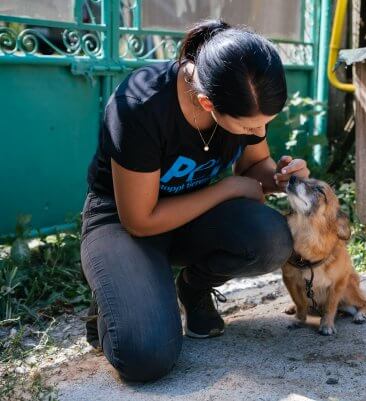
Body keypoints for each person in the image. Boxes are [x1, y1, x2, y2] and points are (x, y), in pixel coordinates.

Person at [80, 19, 309, 382]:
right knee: (146, 357)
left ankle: (193, 287)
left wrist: (281, 177)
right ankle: (114, 294)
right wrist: (229, 189)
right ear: (206, 102)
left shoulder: (240, 93)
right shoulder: (140, 104)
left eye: (266, 124)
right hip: (123, 221)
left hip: (194, 213)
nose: (259, 133)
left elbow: (255, 166)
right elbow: (139, 219)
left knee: (272, 237)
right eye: (250, 127)